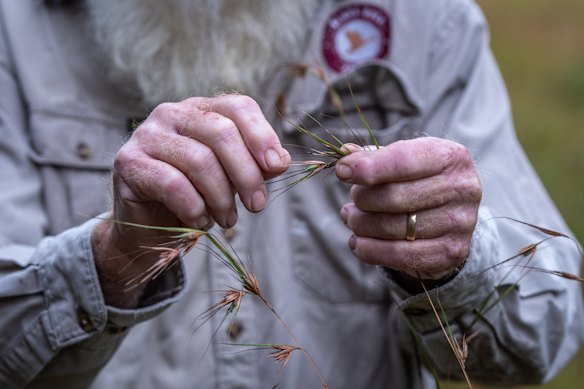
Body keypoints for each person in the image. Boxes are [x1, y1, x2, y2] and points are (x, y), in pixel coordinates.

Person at [0, 0, 582, 388]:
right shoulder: (16, 30)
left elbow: (544, 336)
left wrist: (458, 261)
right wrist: (116, 258)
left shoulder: (425, 19)